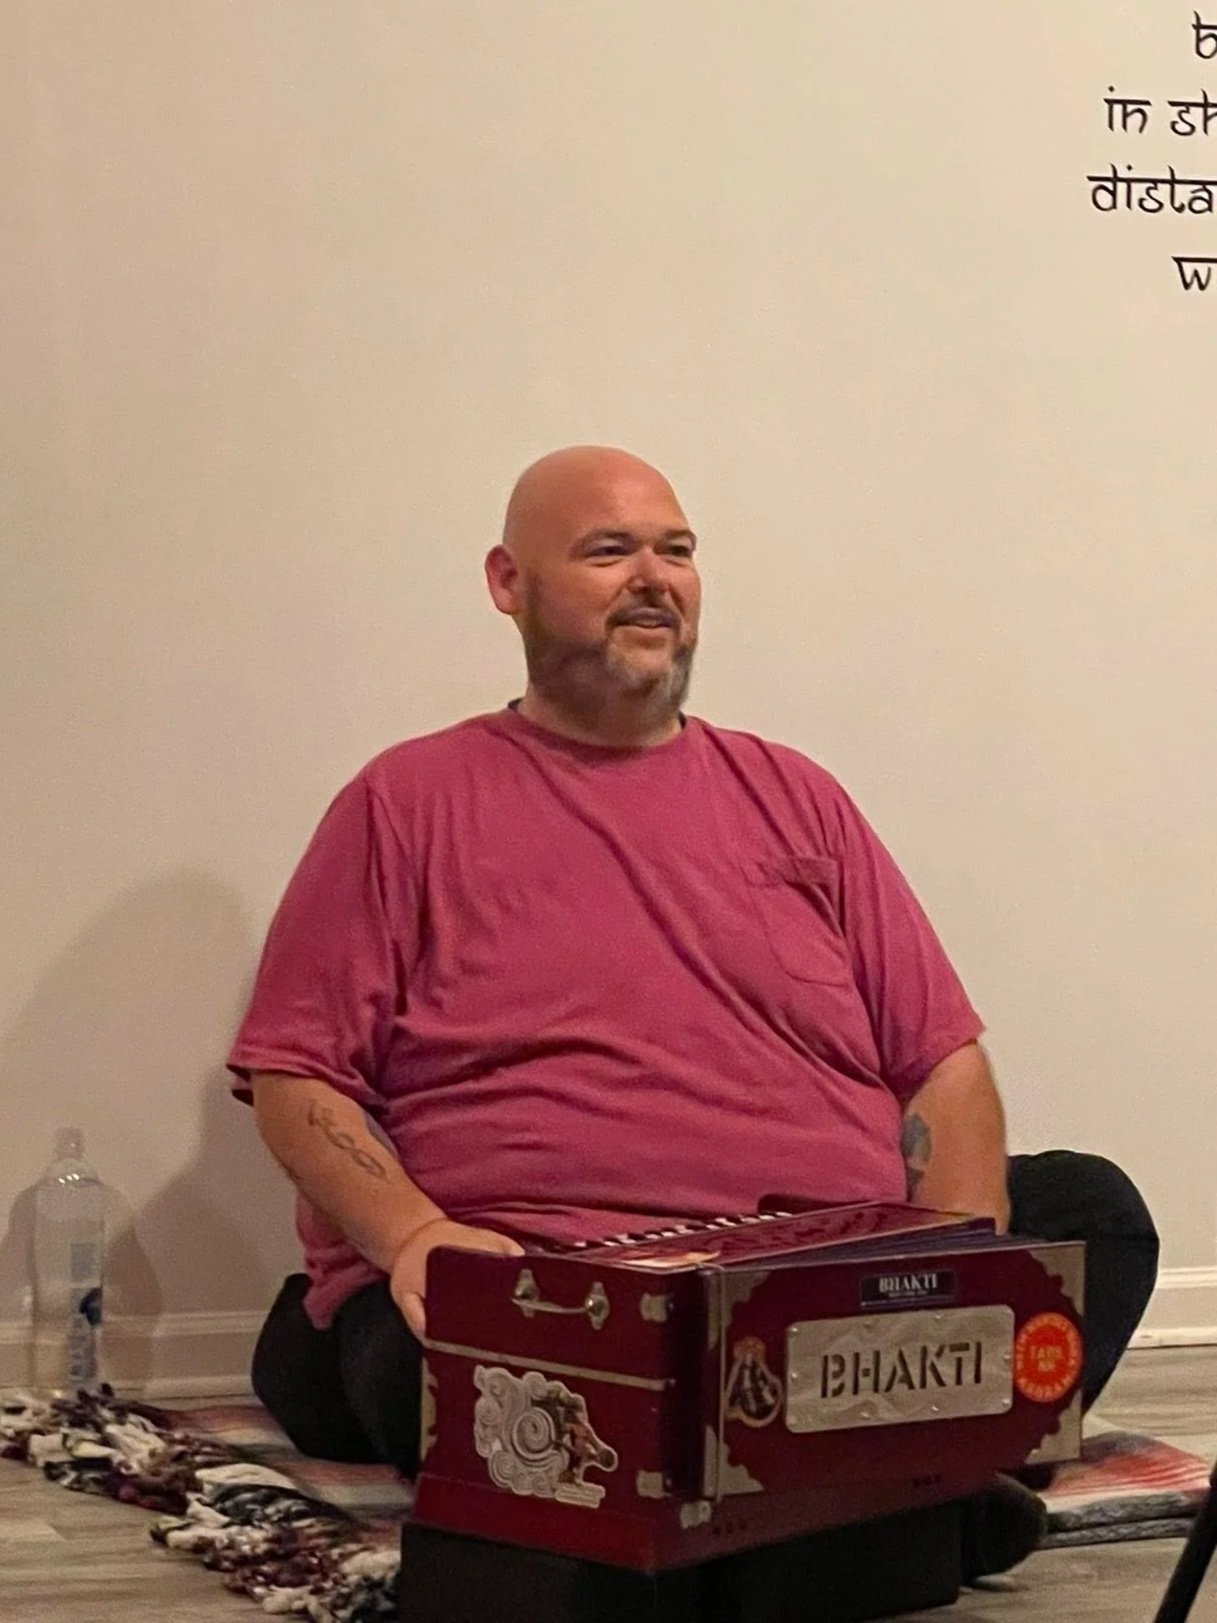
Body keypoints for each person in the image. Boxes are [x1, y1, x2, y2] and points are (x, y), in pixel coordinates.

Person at [228, 445, 1158, 1583]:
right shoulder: (405, 803)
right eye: (608, 549)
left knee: (1092, 1213)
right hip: (554, 1284)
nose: (653, 576)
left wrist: (950, 1264)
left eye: (676, 549)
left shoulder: (795, 797)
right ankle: (911, 1510)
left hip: (810, 1281)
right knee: (507, 1405)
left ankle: (840, 1495)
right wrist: (416, 1236)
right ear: (506, 583)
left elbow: (942, 1064)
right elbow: (298, 1080)